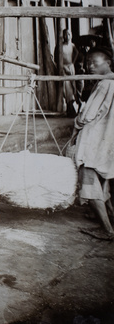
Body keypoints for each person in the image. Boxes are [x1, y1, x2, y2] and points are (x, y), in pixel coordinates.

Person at [71, 46, 114, 240]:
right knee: (101, 179)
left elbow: (87, 114)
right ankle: (109, 218)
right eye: (88, 63)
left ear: (108, 63)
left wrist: (76, 124)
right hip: (107, 138)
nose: (89, 66)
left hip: (95, 137)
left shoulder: (105, 83)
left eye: (94, 63)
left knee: (88, 178)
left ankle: (107, 229)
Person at [55, 29, 81, 116]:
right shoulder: (60, 46)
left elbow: (77, 53)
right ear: (63, 36)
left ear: (71, 35)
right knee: (66, 88)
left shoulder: (72, 46)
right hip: (63, 67)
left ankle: (74, 108)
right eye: (65, 34)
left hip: (71, 67)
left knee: (73, 86)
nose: (67, 36)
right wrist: (62, 67)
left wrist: (72, 62)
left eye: (69, 34)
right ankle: (70, 109)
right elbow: (56, 58)